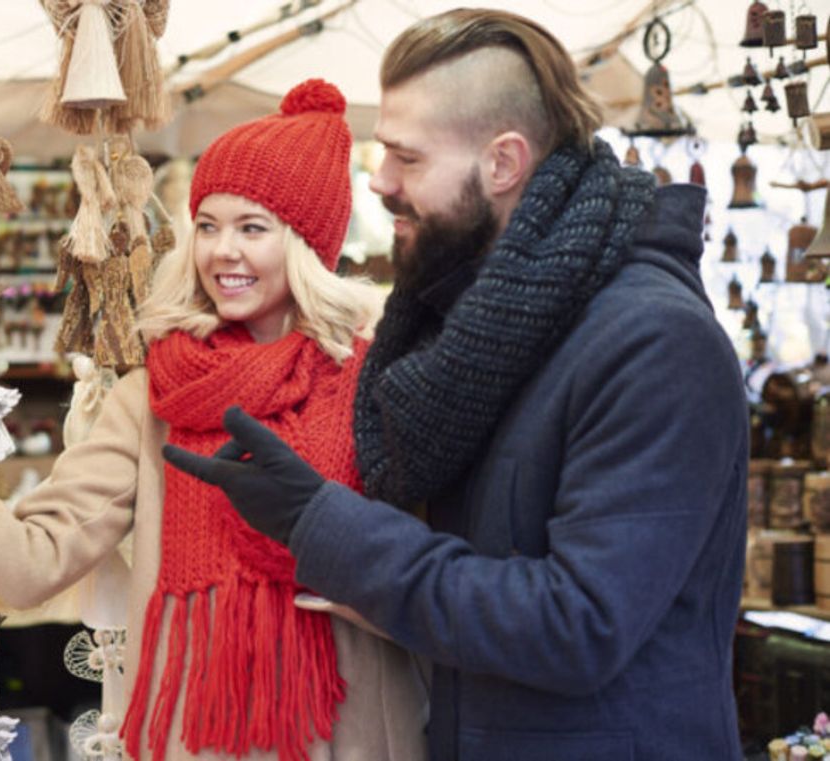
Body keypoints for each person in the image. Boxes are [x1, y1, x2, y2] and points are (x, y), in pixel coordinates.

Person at [0, 79, 429, 761]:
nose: (223, 252)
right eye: (209, 226)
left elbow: (446, 572)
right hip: (196, 740)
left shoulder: (379, 387)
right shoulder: (151, 399)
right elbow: (28, 560)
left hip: (349, 731)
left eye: (253, 228)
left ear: (308, 243)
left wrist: (366, 589)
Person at [164, 9, 748, 761]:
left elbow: (580, 624)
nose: (378, 182)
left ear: (502, 163)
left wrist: (325, 525)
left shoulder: (654, 344)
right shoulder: (484, 330)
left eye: (405, 158)